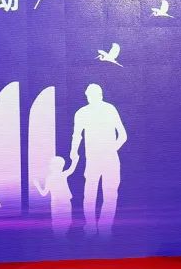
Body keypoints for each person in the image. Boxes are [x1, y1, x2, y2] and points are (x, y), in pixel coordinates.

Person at [70, 83, 127, 240]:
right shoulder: (82, 113)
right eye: (90, 96)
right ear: (87, 96)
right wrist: (73, 151)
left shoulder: (110, 109)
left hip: (110, 159)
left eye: (94, 95)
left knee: (109, 194)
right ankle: (91, 227)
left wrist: (111, 149)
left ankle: (105, 229)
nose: (92, 98)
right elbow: (77, 135)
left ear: (100, 95)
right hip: (93, 159)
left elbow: (123, 135)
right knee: (90, 193)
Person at [34, 155, 79, 239]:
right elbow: (71, 169)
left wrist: (37, 185)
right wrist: (75, 160)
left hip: (60, 203)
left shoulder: (53, 177)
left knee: (62, 221)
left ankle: (61, 237)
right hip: (60, 203)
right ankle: (61, 237)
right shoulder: (59, 176)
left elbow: (43, 193)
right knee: (62, 220)